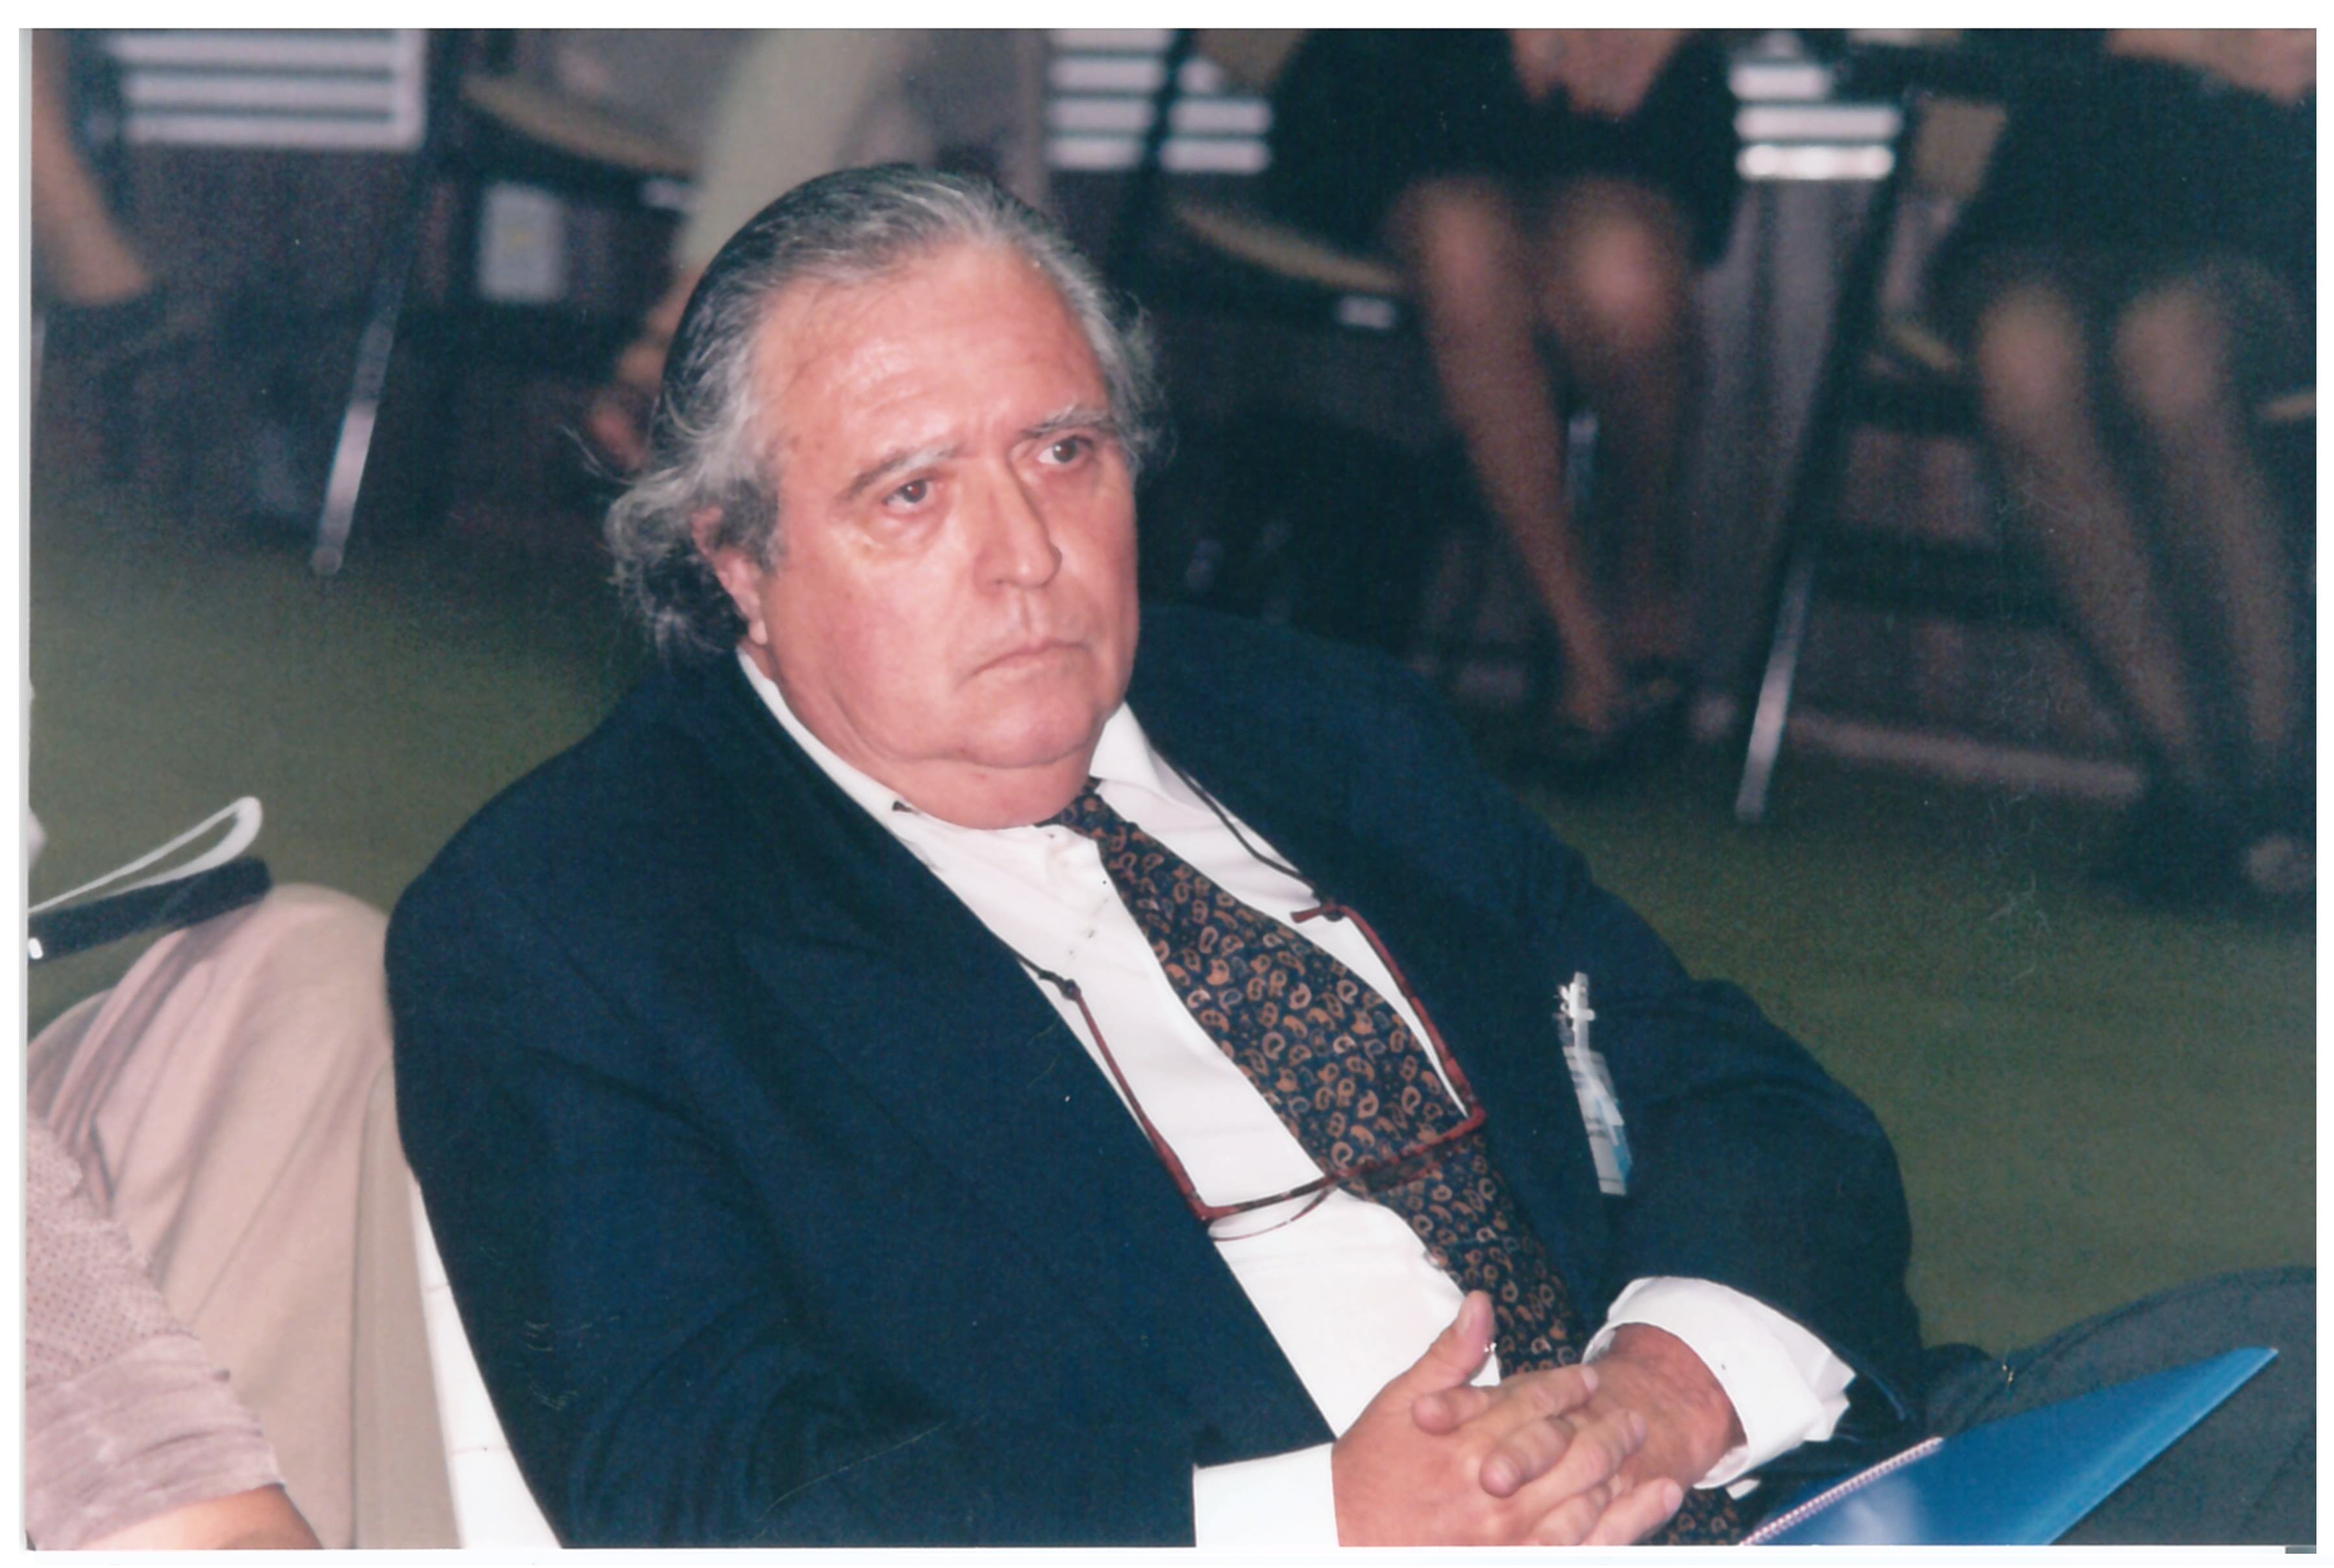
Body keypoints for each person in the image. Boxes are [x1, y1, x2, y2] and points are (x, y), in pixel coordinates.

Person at [386, 166, 2311, 1548]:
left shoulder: (1315, 720)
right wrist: (1319, 1518)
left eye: (1063, 451)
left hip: (1774, 1483)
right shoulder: (575, 920)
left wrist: (1670, 1382)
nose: (1025, 554)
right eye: (910, 492)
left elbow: (1736, 1093)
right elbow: (710, 1500)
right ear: (733, 556)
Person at [1266, 31, 1741, 772]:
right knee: (1461, 255)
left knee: (1621, 280)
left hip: (1623, 104)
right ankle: (1586, 655)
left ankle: (1646, 560)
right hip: (1410, 93)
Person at [1931, 29, 2314, 908]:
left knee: (2172, 353)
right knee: (2023, 362)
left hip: (2263, 220)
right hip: (2059, 204)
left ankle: (2275, 777)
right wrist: (2184, 38)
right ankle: (2189, 778)